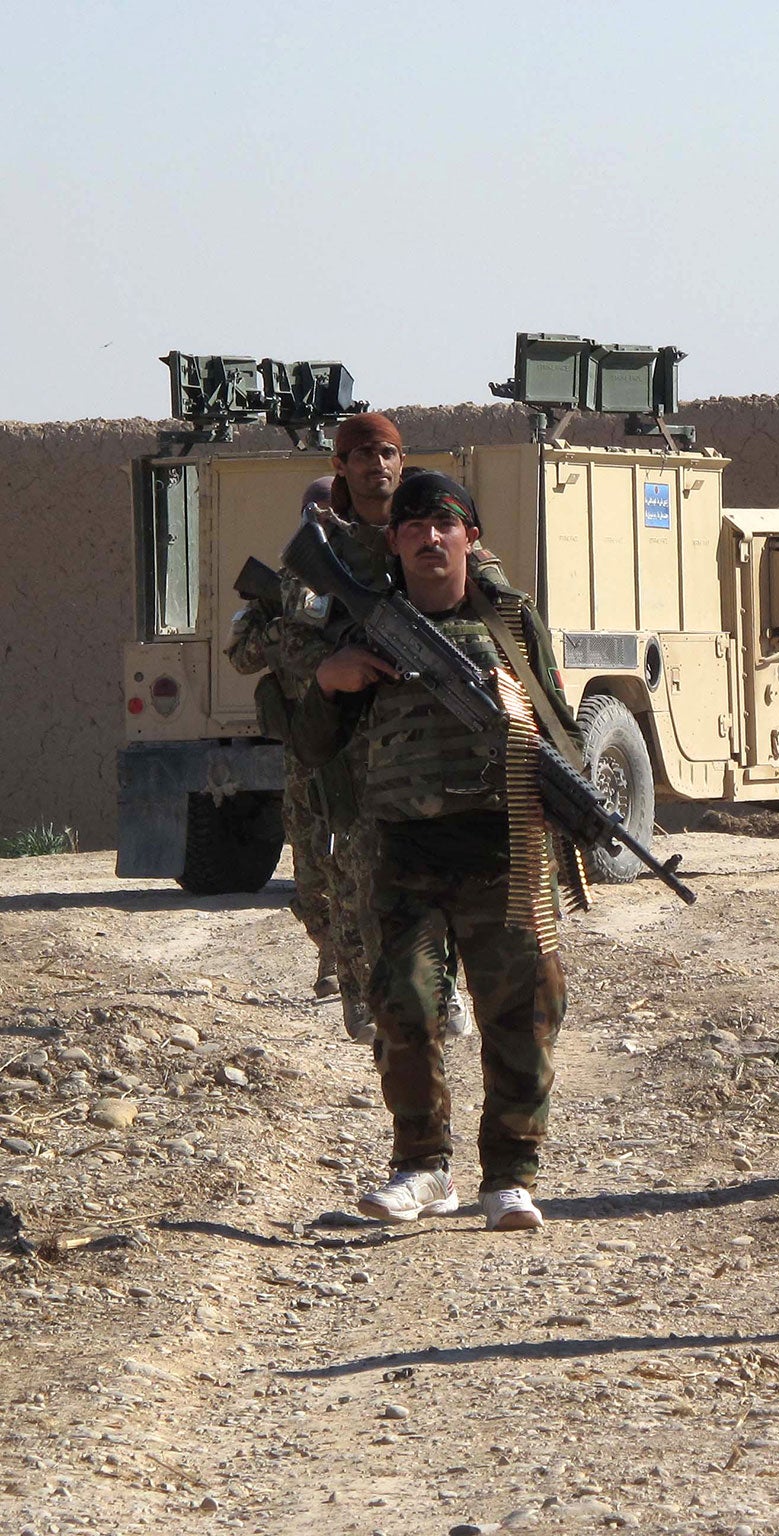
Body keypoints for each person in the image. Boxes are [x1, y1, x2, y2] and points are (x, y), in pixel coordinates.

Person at [293, 472, 576, 1231]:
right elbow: (311, 746)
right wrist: (328, 682)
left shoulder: (512, 624)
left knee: (522, 1011)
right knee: (405, 1009)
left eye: (444, 524)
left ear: (470, 538)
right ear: (393, 541)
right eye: (412, 526)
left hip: (504, 852)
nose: (428, 537)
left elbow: (560, 727)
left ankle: (510, 1176)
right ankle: (422, 1169)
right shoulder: (364, 628)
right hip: (403, 856)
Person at [257, 414, 471, 1044]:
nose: (376, 465)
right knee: (353, 877)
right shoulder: (323, 555)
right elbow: (286, 645)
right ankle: (359, 990)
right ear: (342, 467)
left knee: (441, 869)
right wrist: (335, 667)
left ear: (401, 462)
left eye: (387, 453)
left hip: (426, 741)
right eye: (362, 455)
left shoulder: (423, 535)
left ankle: (443, 986)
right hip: (350, 743)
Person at [227, 475, 345, 997]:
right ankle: (331, 956)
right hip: (303, 743)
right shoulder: (280, 587)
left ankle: (368, 962)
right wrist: (278, 631)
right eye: (311, 511)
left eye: (328, 511)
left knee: (365, 856)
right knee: (310, 861)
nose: (319, 519)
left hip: (357, 738)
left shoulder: (360, 580)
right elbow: (241, 658)